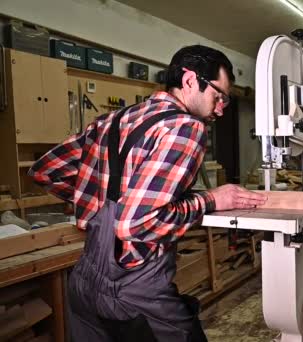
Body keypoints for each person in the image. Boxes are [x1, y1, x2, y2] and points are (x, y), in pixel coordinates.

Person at [28, 45, 266, 341]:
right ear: (190, 80)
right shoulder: (186, 128)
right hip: (134, 290)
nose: (220, 108)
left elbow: (46, 170)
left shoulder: (114, 120)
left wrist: (102, 208)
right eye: (219, 96)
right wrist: (212, 199)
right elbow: (136, 223)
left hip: (84, 284)